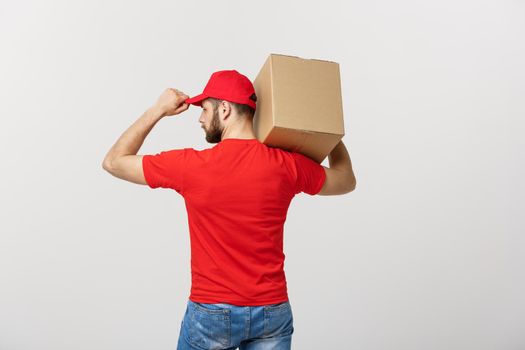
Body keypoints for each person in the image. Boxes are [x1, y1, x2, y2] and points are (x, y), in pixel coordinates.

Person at [102, 69, 356, 349]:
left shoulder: (191, 166)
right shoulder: (286, 165)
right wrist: (328, 134)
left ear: (224, 109)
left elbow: (114, 161)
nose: (199, 118)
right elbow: (346, 181)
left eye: (205, 109)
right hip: (272, 311)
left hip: (212, 311)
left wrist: (158, 110)